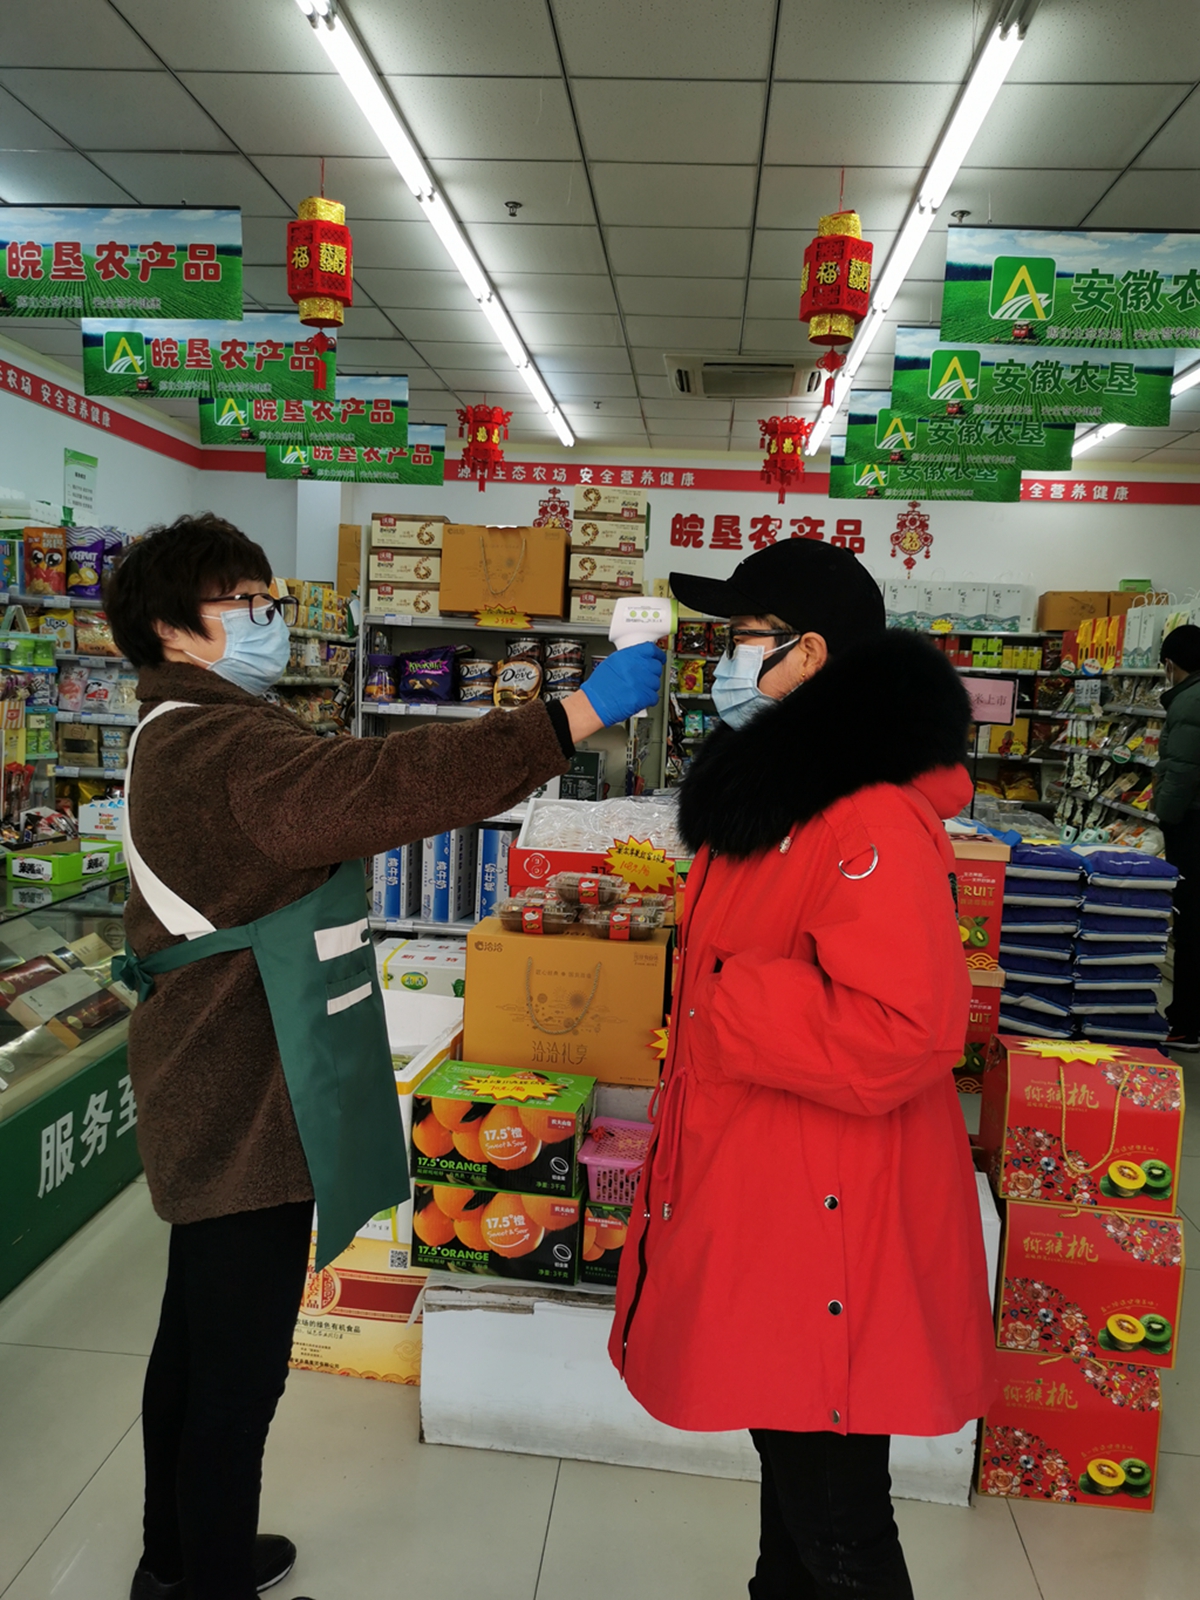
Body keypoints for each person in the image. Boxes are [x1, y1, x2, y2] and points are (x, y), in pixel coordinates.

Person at [106, 514, 663, 1600]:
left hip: (210, 1070)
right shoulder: (221, 746)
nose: (270, 618)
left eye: (271, 598)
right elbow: (383, 783)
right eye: (244, 604)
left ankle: (172, 1559)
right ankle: (204, 1583)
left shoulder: (180, 725)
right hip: (244, 1087)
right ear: (172, 629)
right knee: (234, 1372)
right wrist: (571, 715)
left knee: (194, 1340)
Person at [609, 541, 996, 1600]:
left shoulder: (864, 814)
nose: (722, 662)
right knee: (796, 1480)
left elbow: (908, 1027)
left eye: (740, 639)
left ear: (809, 653)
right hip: (781, 1187)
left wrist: (722, 993)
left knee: (837, 1520)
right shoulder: (784, 797)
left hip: (832, 1217)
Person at [1155, 623, 1200, 1050]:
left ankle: (1186, 1023)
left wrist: (1164, 816)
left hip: (1191, 825)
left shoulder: (1188, 702)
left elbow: (1183, 771)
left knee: (1190, 922)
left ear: (1171, 663)